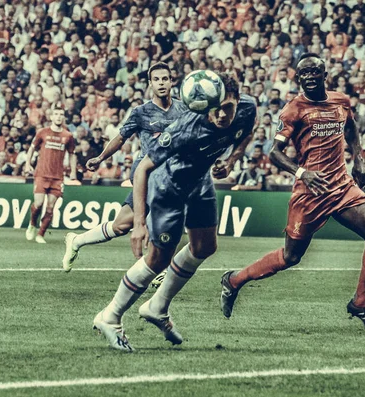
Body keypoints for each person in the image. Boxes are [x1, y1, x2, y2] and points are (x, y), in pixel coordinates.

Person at [220, 53, 365, 335]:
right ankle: (233, 281)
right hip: (310, 192)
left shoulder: (341, 101)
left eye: (314, 72)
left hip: (341, 186)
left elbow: (351, 128)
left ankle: (360, 304)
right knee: (290, 257)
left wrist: (359, 159)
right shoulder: (293, 110)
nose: (309, 77)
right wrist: (302, 173)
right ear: (298, 79)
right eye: (304, 74)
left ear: (325, 75)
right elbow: (273, 153)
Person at [92, 73, 257, 351]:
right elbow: (143, 168)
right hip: (168, 186)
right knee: (157, 259)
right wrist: (139, 224)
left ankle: (157, 307)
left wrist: (231, 160)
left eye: (227, 107)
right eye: (213, 108)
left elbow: (246, 132)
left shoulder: (248, 108)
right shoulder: (186, 128)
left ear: (237, 101)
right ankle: (110, 317)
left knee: (205, 247)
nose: (220, 115)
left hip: (200, 181)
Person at [62, 63, 186, 272]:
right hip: (148, 175)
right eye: (157, 80)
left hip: (172, 176)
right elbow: (120, 138)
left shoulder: (183, 109)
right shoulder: (141, 112)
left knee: (120, 225)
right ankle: (158, 271)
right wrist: (100, 158)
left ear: (172, 81)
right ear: (150, 84)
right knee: (164, 223)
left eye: (165, 79)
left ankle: (76, 240)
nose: (161, 83)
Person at [24, 104, 76, 244]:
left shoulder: (68, 136)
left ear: (64, 117)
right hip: (41, 174)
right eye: (56, 114)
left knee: (51, 207)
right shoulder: (43, 132)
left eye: (61, 114)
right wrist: (28, 164)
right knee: (39, 203)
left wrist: (73, 172)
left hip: (57, 177)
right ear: (51, 117)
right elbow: (32, 148)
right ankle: (32, 224)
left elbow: (72, 155)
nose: (59, 116)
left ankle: (41, 234)